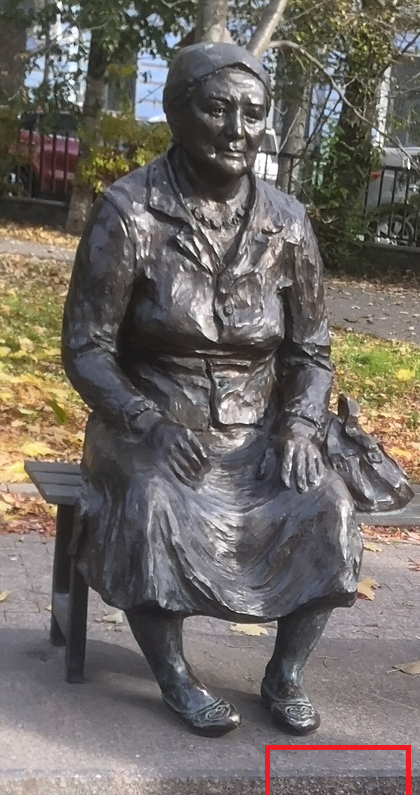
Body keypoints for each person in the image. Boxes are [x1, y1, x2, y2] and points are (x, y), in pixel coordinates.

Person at [62, 41, 362, 738]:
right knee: (153, 502)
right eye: (217, 109)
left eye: (252, 114)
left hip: (258, 432)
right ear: (178, 112)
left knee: (328, 505)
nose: (236, 129)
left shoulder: (286, 222)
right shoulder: (128, 212)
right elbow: (85, 349)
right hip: (149, 425)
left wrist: (299, 425)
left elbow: (310, 351)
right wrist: (146, 421)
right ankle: (173, 675)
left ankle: (284, 675)